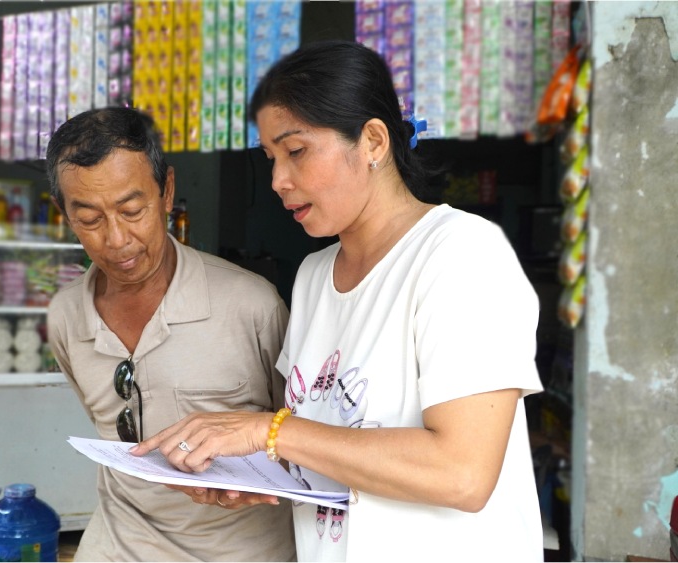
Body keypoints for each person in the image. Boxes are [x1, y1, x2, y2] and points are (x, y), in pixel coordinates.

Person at [131, 39, 545, 561]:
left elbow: (461, 473)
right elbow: (323, 443)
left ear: (373, 141)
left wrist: (267, 430)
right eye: (271, 159)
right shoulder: (313, 276)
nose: (279, 181)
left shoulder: (460, 254)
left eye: (297, 151)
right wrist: (249, 471)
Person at [44, 106, 296, 561]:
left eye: (132, 210)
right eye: (91, 220)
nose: (117, 239)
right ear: (64, 214)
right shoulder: (65, 316)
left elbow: (299, 437)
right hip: (119, 544)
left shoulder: (252, 305)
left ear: (167, 193)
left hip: (241, 550)